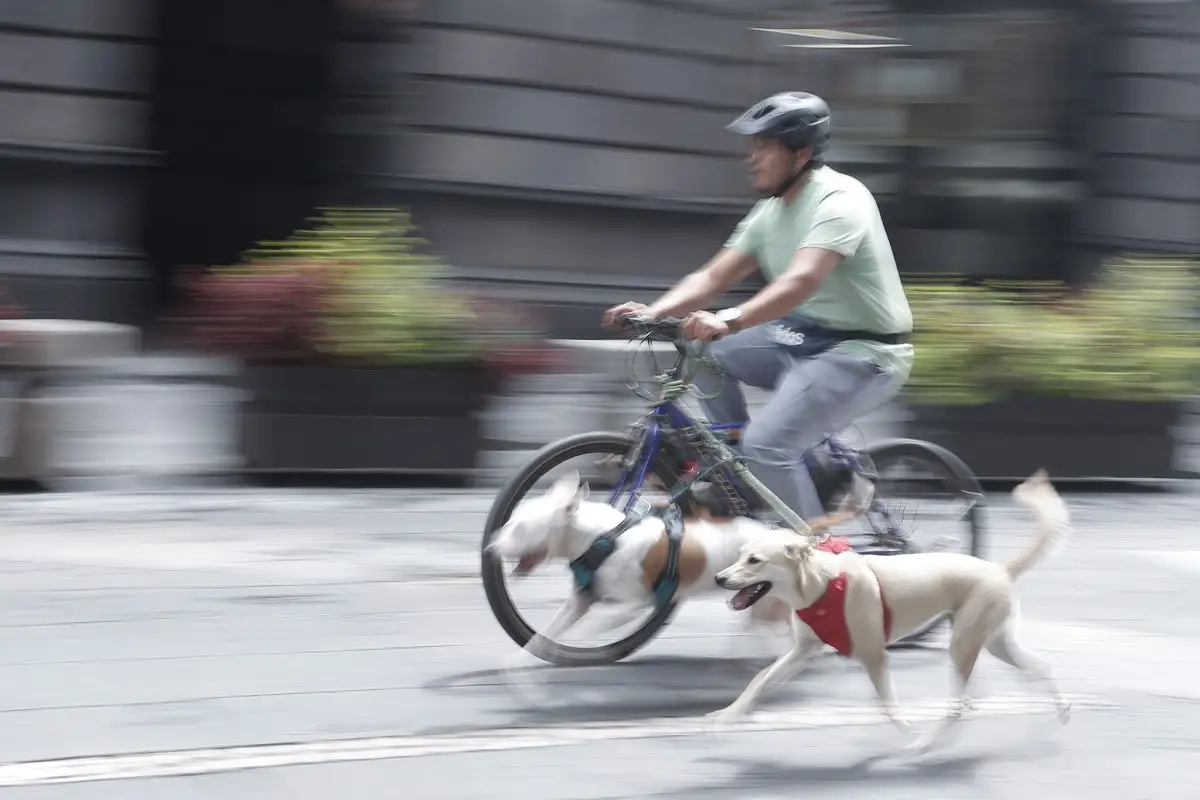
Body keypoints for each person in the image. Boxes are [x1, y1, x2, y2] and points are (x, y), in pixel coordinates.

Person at [602, 91, 914, 523]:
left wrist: (729, 319)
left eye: (764, 146)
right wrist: (655, 312)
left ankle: (819, 552)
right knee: (701, 348)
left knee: (767, 445)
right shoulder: (769, 212)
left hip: (862, 352)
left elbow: (802, 279)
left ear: (801, 154)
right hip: (801, 335)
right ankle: (737, 473)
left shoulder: (841, 200)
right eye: (752, 146)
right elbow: (713, 277)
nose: (751, 158)